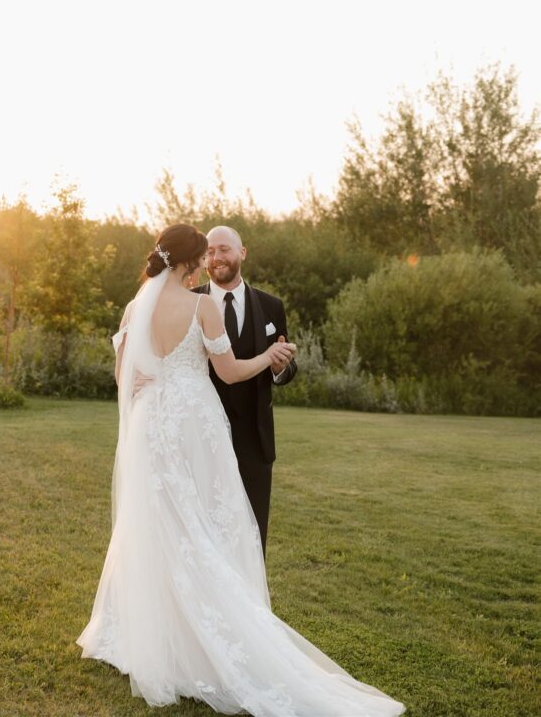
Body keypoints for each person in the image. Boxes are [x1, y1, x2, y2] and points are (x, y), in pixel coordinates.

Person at [75, 223, 405, 717]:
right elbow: (228, 371)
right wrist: (268, 356)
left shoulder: (134, 306)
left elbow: (126, 377)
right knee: (207, 523)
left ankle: (150, 633)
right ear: (191, 262)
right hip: (195, 424)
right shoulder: (201, 305)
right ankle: (212, 630)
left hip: (152, 428)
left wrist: (154, 382)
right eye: (203, 254)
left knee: (159, 523)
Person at [192, 225, 297, 557]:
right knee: (204, 531)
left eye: (223, 249)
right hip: (201, 434)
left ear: (242, 253)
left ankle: (250, 604)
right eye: (209, 252)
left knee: (252, 535)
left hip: (254, 438)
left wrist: (280, 367)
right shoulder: (190, 302)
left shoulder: (271, 306)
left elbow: (285, 364)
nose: (216, 257)